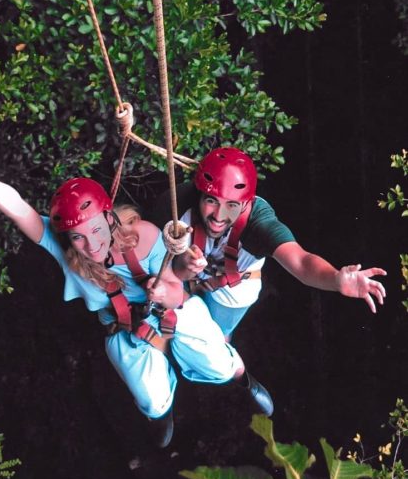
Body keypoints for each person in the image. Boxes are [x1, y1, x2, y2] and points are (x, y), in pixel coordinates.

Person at [0, 126, 274, 450]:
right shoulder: (67, 252)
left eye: (95, 229)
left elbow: (179, 285)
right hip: (126, 330)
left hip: (172, 310)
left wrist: (167, 291)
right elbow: (19, 209)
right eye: (78, 236)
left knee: (217, 362)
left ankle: (242, 378)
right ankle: (162, 412)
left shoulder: (146, 237)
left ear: (110, 219)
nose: (90, 243)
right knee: (151, 399)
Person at [150, 147, 387, 394]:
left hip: (233, 288)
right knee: (170, 321)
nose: (219, 215)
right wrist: (180, 268)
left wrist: (335, 279)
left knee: (217, 337)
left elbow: (301, 261)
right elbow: (151, 255)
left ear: (246, 203)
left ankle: (231, 370)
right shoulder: (175, 206)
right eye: (211, 201)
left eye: (231, 205)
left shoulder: (258, 223)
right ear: (199, 193)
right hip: (185, 276)